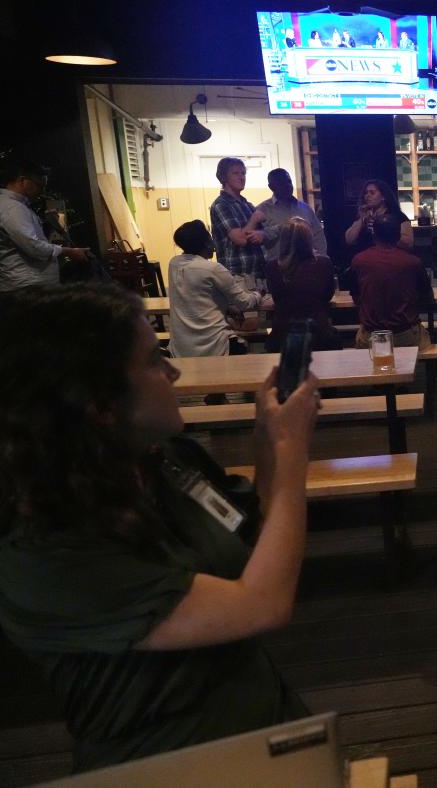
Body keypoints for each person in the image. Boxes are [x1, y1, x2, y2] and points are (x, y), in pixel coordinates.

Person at [0, 284, 320, 773]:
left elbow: (252, 536)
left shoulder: (166, 462)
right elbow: (263, 603)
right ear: (97, 403)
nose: (172, 371)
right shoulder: (45, 550)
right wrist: (294, 453)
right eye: (154, 359)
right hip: (166, 768)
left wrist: (267, 443)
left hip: (265, 732)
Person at [167, 220, 262, 359]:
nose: (214, 246)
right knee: (245, 345)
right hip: (213, 347)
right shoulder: (213, 269)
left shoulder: (174, 263)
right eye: (210, 240)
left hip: (180, 348)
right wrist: (258, 294)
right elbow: (245, 302)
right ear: (204, 244)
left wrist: (226, 308)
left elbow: (196, 296)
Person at [0, 157, 91, 290]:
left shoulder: (16, 206)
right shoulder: (13, 208)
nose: (42, 192)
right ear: (23, 181)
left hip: (28, 285)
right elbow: (32, 246)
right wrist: (67, 251)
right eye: (39, 185)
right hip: (27, 288)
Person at [348, 213, 434, 352]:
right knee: (426, 335)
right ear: (398, 236)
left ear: (374, 235)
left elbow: (355, 296)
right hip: (406, 337)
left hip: (371, 337)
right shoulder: (413, 262)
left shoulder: (359, 260)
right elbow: (428, 298)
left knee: (360, 334)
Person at [264, 217, 340, 353]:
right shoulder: (323, 264)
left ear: (283, 240)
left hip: (283, 337)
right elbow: (328, 296)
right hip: (318, 335)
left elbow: (276, 298)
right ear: (308, 239)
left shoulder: (272, 267)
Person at [246, 168, 328, 260]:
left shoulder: (305, 208)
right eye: (281, 183)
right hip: (278, 267)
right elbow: (256, 240)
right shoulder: (262, 210)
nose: (287, 186)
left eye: (289, 182)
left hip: (307, 266)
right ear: (271, 187)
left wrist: (322, 259)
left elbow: (318, 235)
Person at [208, 157, 265, 289]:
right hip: (238, 277)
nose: (241, 177)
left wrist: (262, 233)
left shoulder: (247, 204)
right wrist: (255, 219)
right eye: (236, 173)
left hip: (258, 274)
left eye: (243, 173)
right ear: (223, 177)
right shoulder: (221, 205)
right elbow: (240, 239)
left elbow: (264, 232)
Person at [344, 179, 414, 252]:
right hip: (366, 258)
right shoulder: (363, 217)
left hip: (389, 258)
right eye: (365, 193)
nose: (367, 196)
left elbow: (409, 243)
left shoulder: (397, 216)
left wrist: (383, 230)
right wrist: (362, 219)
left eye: (372, 192)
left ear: (383, 196)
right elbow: (349, 240)